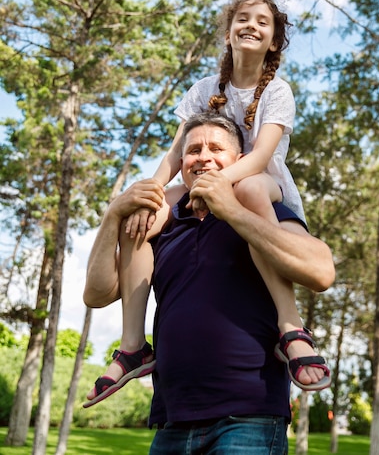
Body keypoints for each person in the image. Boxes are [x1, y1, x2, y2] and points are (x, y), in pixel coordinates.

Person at [85, 0, 331, 407]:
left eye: (262, 22)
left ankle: (291, 327)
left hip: (258, 178)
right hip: (205, 180)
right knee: (147, 209)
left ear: (273, 41)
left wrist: (214, 189)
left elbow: (259, 159)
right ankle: (132, 345)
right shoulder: (204, 88)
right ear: (229, 31)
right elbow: (178, 151)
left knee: (250, 188)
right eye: (243, 19)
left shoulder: (277, 92)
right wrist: (151, 191)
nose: (251, 25)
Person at [83, 113, 335, 454]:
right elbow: (97, 293)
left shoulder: (260, 211)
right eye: (193, 150)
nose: (203, 156)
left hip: (249, 418)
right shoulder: (164, 227)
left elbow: (321, 272)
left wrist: (232, 211)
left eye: (216, 148)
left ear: (240, 162)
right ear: (181, 163)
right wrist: (113, 215)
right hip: (172, 420)